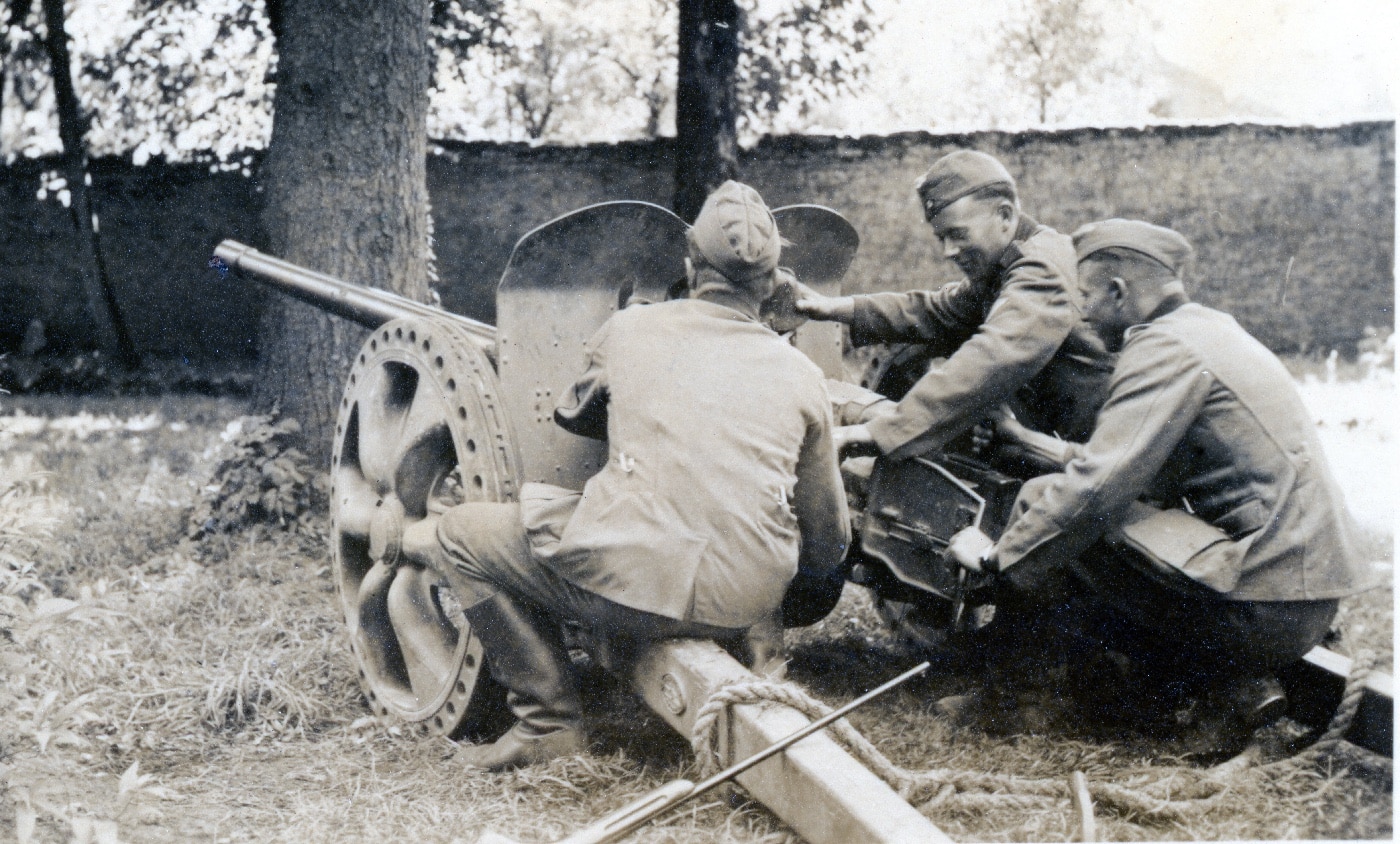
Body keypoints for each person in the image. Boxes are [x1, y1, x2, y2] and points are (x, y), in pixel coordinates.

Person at [404, 181, 850, 772]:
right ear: (775, 282)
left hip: (637, 584)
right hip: (747, 597)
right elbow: (831, 541)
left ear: (691, 266)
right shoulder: (802, 374)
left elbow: (572, 415)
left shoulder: (630, 330)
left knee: (460, 535)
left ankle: (547, 722)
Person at [947, 219, 1372, 754]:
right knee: (1095, 516)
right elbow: (1137, 467)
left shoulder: (1160, 348)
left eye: (1085, 299)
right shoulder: (1208, 330)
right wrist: (1024, 440)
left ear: (1118, 292)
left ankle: (1022, 696)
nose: (1081, 315)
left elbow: (1097, 488)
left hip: (1260, 608)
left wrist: (994, 560)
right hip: (1301, 598)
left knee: (1043, 503)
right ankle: (1204, 686)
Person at [795, 149, 1113, 459]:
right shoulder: (1005, 265)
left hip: (1099, 454)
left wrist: (881, 431)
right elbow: (933, 311)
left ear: (1004, 215)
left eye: (958, 234)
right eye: (941, 238)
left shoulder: (1041, 269)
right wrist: (833, 307)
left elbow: (992, 358)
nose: (949, 251)